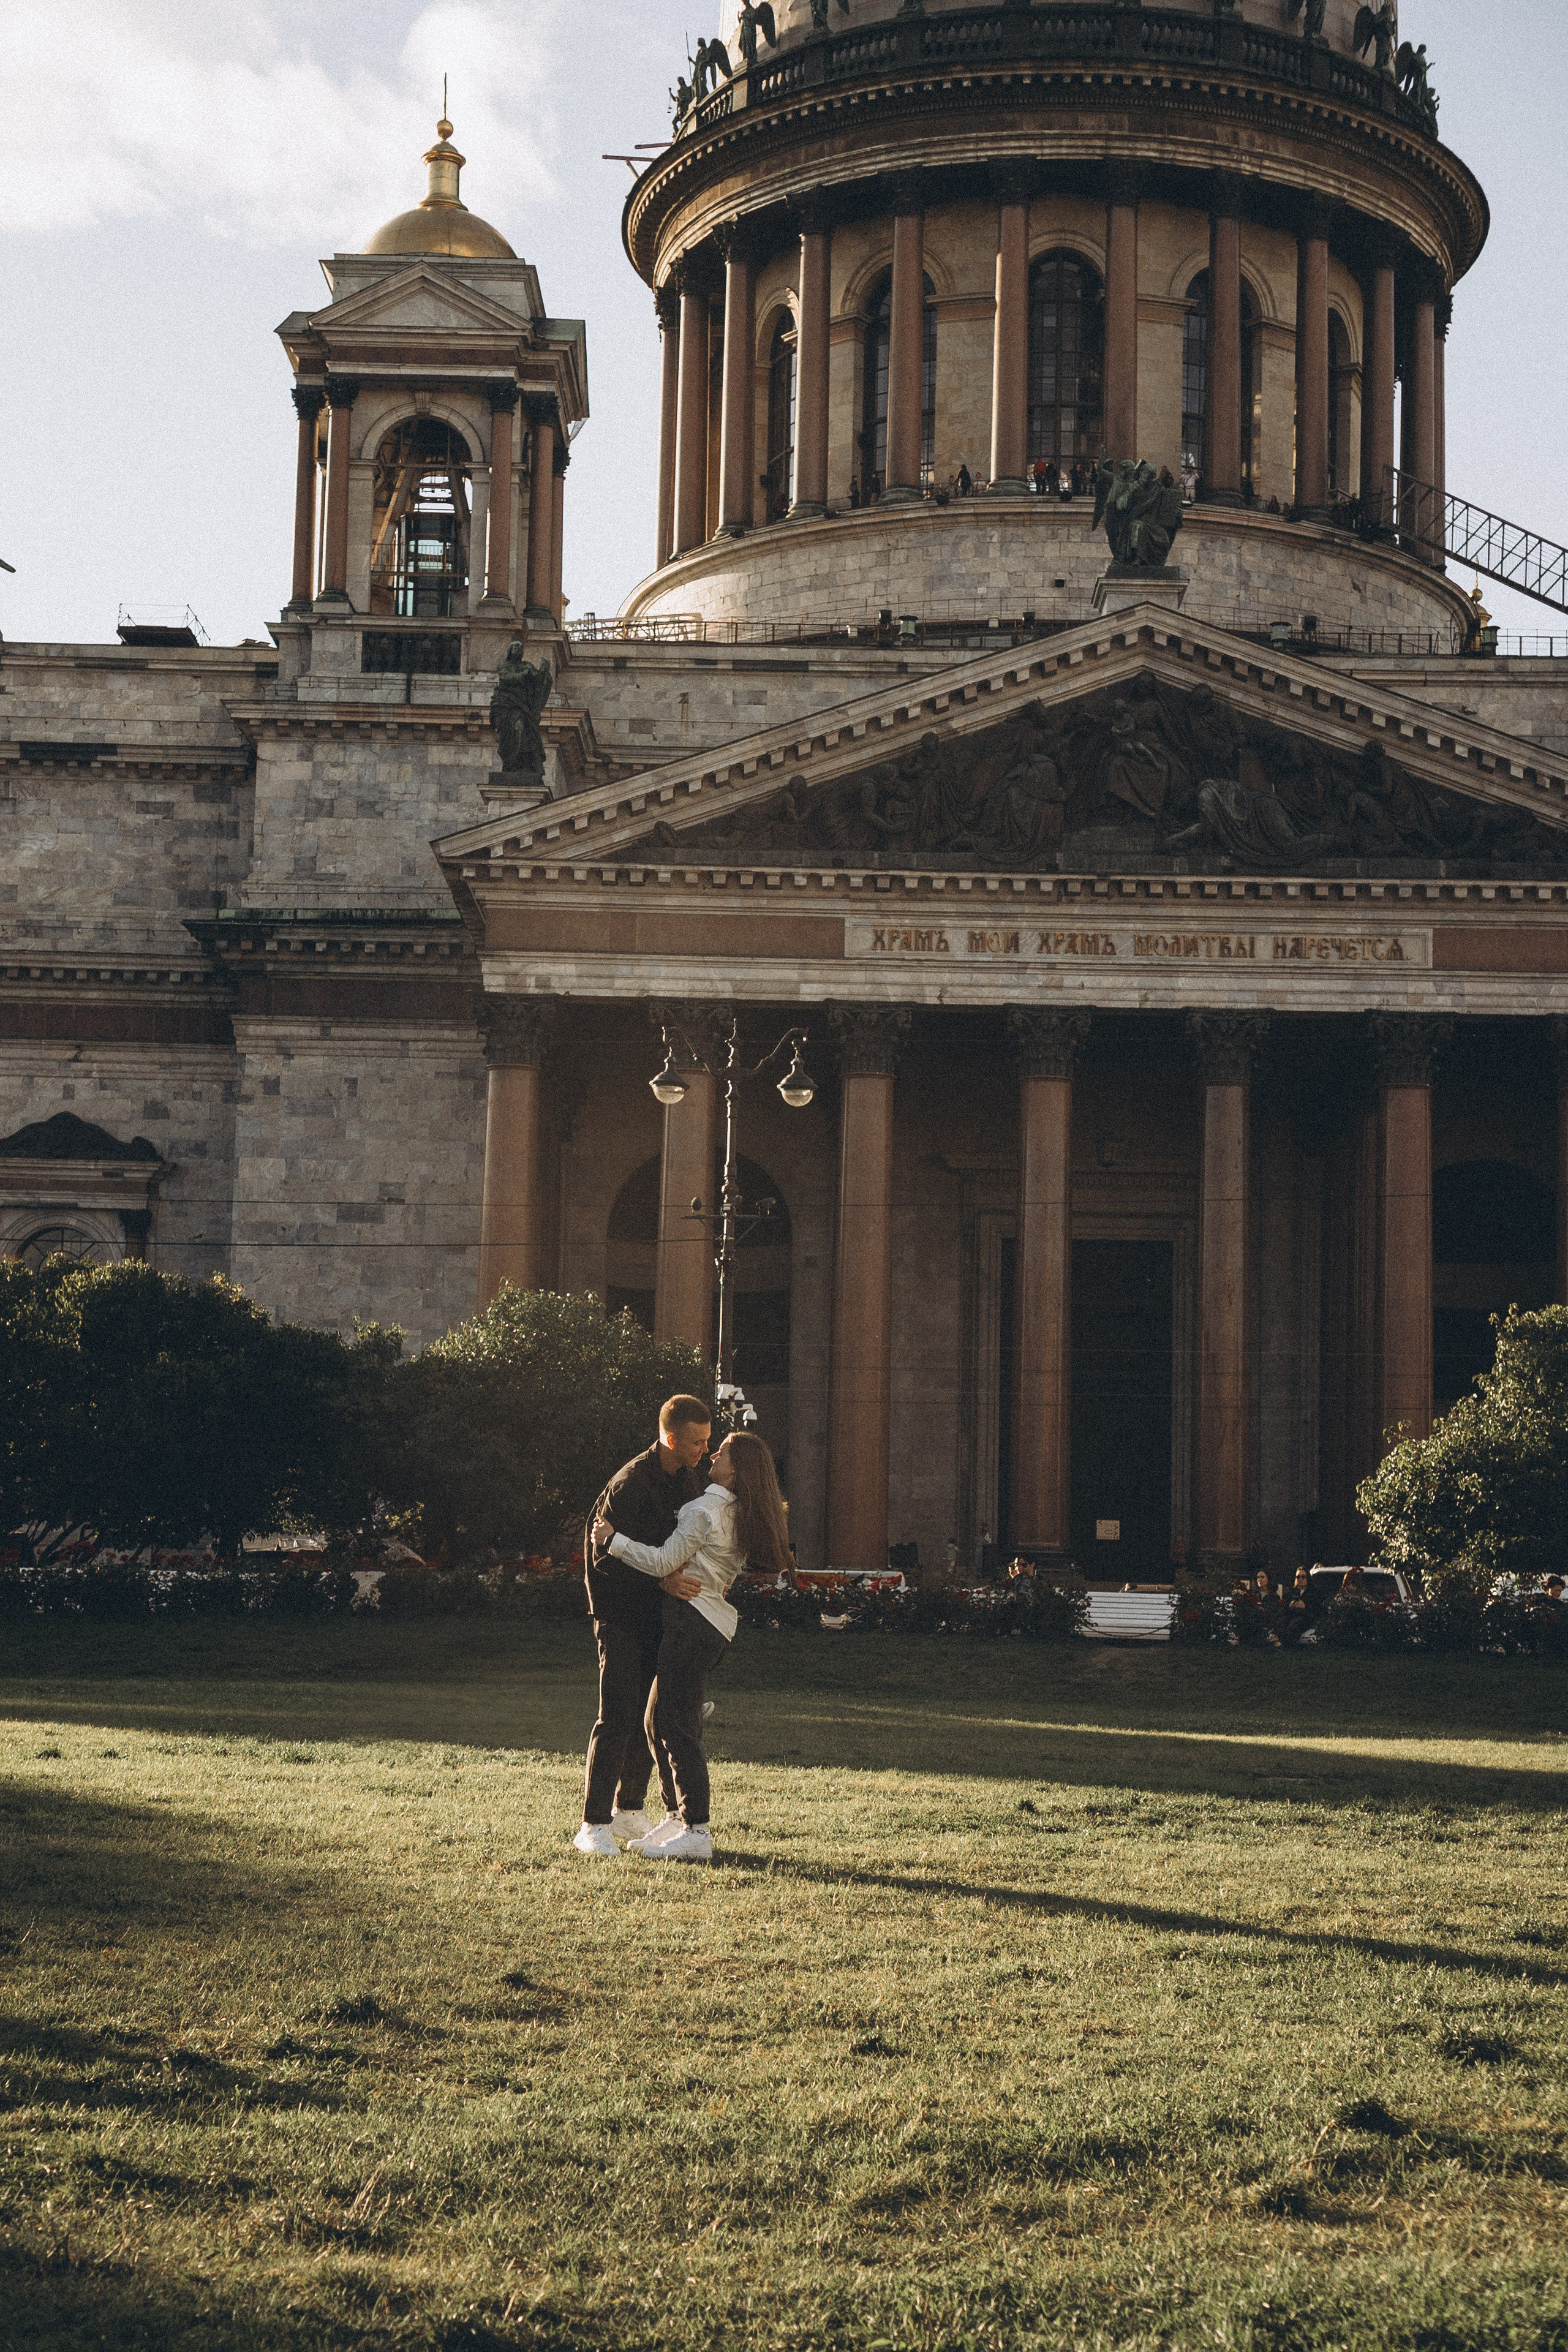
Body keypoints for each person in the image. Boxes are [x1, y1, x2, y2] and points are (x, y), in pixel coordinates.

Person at [592, 1430, 792, 1861]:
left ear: (736, 1472)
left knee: (679, 1729)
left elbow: (664, 1561)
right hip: (710, 1628)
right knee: (655, 1721)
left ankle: (696, 1829)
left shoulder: (703, 1509)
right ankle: (677, 1818)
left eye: (723, 1452)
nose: (713, 1454)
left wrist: (612, 1540)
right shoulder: (739, 1510)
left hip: (691, 1625)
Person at [573, 1394, 711, 1860]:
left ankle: (629, 1809)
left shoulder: (689, 1481)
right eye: (696, 1442)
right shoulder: (629, 1484)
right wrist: (664, 1580)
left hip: (661, 1615)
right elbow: (601, 1557)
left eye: (708, 1442)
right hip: (621, 1616)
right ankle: (592, 1824)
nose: (704, 1451)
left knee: (648, 1720)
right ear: (670, 1437)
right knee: (616, 1717)